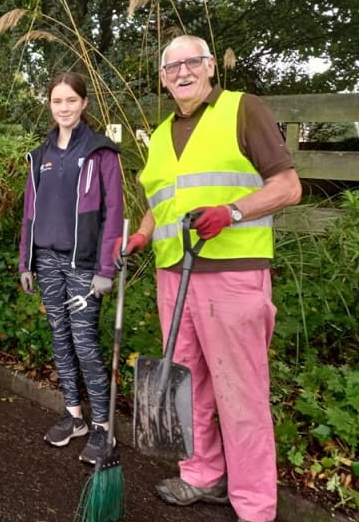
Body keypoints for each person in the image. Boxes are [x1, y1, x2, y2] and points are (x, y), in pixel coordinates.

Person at [122, 35, 301, 522]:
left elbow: (288, 187)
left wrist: (233, 211)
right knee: (186, 382)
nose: (183, 72)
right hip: (172, 277)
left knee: (239, 393)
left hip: (232, 276)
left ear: (209, 68)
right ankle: (200, 475)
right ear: (162, 78)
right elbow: (159, 204)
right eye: (172, 66)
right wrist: (141, 234)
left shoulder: (244, 110)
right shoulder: (158, 136)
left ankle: (254, 506)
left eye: (192, 62)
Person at [18, 71, 124, 465]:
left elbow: (114, 213)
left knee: (84, 341)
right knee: (59, 337)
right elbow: (30, 212)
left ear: (83, 103)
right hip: (46, 259)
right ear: (50, 105)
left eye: (70, 100)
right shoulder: (40, 155)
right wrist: (24, 260)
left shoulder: (101, 153)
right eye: (57, 101)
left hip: (83, 264)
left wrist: (106, 268)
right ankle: (75, 416)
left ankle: (102, 427)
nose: (63, 107)